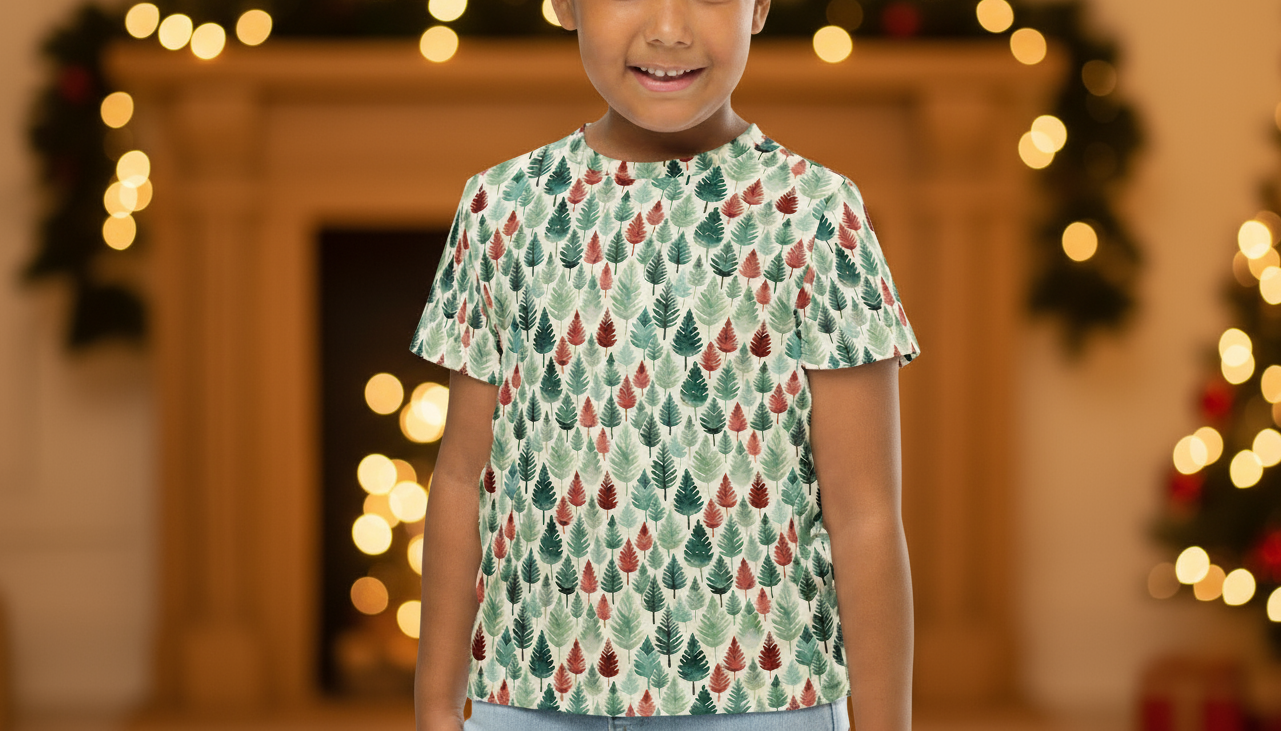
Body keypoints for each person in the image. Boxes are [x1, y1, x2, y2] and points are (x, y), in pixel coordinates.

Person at [409, 0, 920, 729]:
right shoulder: (501, 209)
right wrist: (435, 707)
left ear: (761, 6)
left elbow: (865, 514)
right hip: (525, 698)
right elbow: (462, 478)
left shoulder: (815, 215)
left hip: (764, 702)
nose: (670, 29)